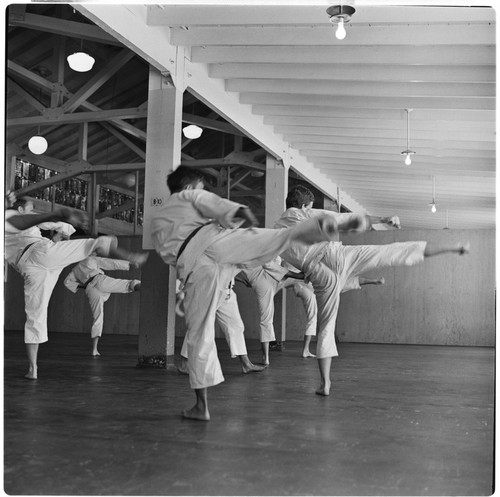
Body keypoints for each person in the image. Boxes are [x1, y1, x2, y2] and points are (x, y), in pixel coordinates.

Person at [151, 166, 367, 421]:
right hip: (214, 243)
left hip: (194, 269)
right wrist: (235, 212)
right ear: (188, 188)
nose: (201, 191)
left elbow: (170, 256)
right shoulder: (188, 197)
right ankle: (314, 229)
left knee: (200, 334)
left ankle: (201, 406)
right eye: (200, 187)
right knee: (271, 239)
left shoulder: (157, 222)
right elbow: (208, 201)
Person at [274, 185, 470, 397]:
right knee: (387, 253)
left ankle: (325, 384)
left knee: (325, 327)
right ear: (304, 205)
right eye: (309, 207)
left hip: (317, 272)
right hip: (334, 255)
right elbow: (339, 219)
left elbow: (289, 264)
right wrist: (380, 220)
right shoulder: (302, 213)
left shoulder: (276, 233)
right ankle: (452, 248)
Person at [5, 196, 149, 380]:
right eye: (30, 208)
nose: (33, 212)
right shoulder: (10, 217)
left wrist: (63, 229)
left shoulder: (22, 223)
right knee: (92, 244)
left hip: (33, 266)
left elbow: (55, 226)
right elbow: (41, 221)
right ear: (21, 210)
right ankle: (127, 256)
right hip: (39, 254)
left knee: (35, 316)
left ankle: (33, 369)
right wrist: (61, 219)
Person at [176, 279, 266, 375]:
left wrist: (243, 279)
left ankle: (246, 364)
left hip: (227, 290)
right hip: (210, 290)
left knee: (236, 326)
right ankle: (184, 364)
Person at [64, 256, 142, 357]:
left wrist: (83, 286)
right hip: (99, 280)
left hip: (90, 290)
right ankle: (145, 287)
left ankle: (94, 349)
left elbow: (66, 282)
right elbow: (110, 263)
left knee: (97, 318)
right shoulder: (89, 259)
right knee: (127, 284)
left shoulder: (74, 271)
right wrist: (129, 265)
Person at [236, 257, 305, 365]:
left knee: (266, 320)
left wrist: (244, 280)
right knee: (266, 320)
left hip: (270, 279)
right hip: (264, 280)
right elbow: (267, 264)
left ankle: (266, 357)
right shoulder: (252, 251)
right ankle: (265, 357)